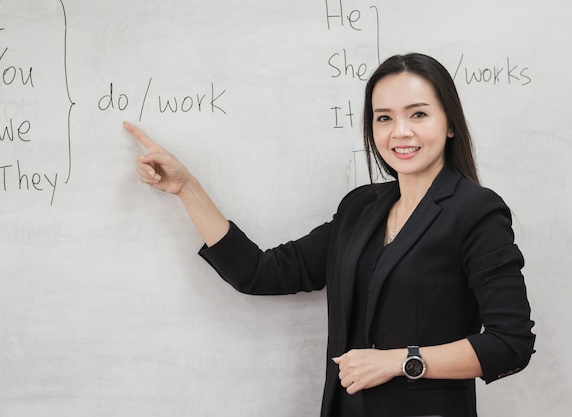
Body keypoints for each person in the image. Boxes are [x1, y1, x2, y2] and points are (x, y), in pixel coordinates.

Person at [124, 52, 536, 417]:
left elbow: (510, 343)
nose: (400, 132)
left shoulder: (476, 211)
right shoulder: (361, 208)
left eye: (419, 114)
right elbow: (260, 273)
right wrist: (187, 188)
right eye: (384, 118)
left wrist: (400, 362)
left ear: (449, 124)